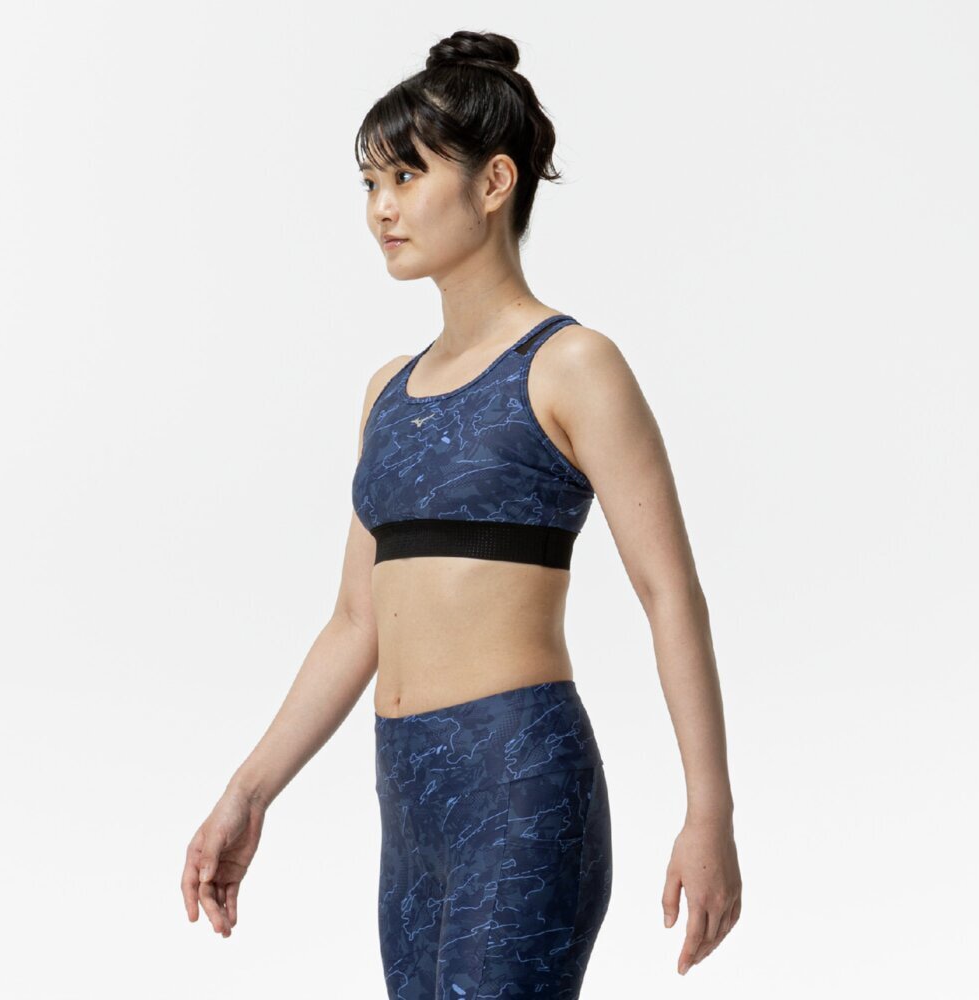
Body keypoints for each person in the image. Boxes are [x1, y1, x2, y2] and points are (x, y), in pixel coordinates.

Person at [180, 28, 742, 996]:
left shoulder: (571, 365)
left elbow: (668, 593)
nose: (381, 207)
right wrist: (247, 791)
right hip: (407, 798)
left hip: (517, 782)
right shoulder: (386, 392)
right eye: (370, 182)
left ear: (494, 183)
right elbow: (354, 622)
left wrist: (709, 813)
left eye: (406, 175)